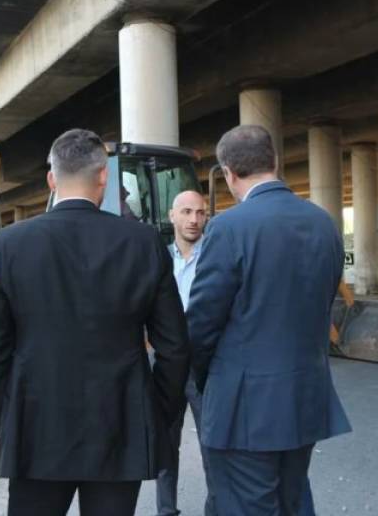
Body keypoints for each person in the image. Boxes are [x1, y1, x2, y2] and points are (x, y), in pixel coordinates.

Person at [0, 128, 190, 516]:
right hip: (119, 424)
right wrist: (155, 411)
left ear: (51, 180)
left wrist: (7, 419)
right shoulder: (142, 242)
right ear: (104, 177)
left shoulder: (10, 244)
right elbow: (174, 346)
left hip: (36, 425)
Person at [186, 125, 351, 516]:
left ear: (228, 174)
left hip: (244, 406)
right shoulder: (324, 223)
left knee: (246, 505)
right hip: (306, 395)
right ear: (275, 162)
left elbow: (202, 324)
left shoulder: (228, 228)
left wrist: (203, 379)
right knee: (292, 500)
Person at [155, 190, 216, 516]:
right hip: (167, 364)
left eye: (201, 213)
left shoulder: (216, 257)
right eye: (187, 212)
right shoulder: (159, 259)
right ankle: (166, 512)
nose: (194, 219)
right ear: (172, 215)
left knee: (212, 444)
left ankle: (215, 509)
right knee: (166, 444)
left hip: (206, 363)